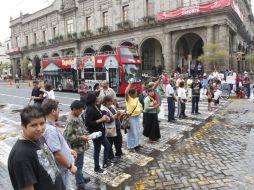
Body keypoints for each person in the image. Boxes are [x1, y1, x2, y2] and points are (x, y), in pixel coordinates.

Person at [8, 106, 65, 190]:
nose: (39, 129)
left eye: (42, 123)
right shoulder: (21, 157)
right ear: (23, 126)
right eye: (34, 125)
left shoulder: (39, 137)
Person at [41, 99, 77, 189]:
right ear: (53, 111)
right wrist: (70, 166)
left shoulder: (49, 126)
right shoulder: (50, 130)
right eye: (58, 109)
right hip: (61, 170)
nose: (59, 110)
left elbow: (57, 145)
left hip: (62, 169)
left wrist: (69, 150)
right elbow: (56, 154)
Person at [63, 100, 90, 190]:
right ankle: (80, 184)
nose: (81, 112)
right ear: (74, 109)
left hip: (81, 146)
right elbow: (67, 136)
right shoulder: (71, 120)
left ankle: (81, 177)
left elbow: (82, 127)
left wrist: (86, 134)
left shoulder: (77, 116)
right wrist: (81, 137)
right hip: (76, 148)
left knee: (80, 164)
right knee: (78, 165)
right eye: (80, 110)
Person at [85, 91, 112, 174]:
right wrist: (101, 119)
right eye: (97, 96)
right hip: (96, 133)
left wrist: (104, 117)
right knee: (97, 150)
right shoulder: (89, 109)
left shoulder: (95, 106)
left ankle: (105, 163)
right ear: (93, 98)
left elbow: (99, 115)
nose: (99, 97)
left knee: (107, 145)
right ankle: (97, 168)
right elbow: (88, 123)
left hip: (101, 131)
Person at [100, 95, 123, 161]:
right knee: (109, 143)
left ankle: (118, 153)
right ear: (106, 102)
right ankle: (110, 156)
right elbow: (108, 120)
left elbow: (116, 115)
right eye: (111, 101)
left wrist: (120, 114)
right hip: (110, 129)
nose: (112, 102)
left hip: (117, 127)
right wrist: (116, 115)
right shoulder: (103, 109)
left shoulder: (112, 107)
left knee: (119, 141)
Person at [125, 80, 142, 152]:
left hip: (137, 117)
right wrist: (130, 84)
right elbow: (126, 92)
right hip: (131, 117)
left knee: (138, 131)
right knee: (132, 132)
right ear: (132, 94)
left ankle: (137, 144)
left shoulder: (136, 98)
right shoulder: (129, 99)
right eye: (136, 93)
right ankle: (131, 146)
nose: (137, 93)